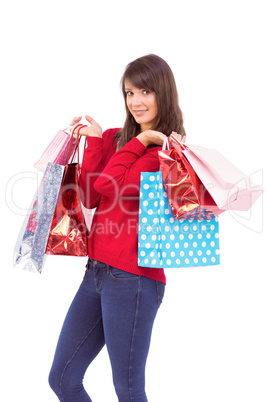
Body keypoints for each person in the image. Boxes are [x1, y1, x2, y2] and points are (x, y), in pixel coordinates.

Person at [48, 54, 186, 402]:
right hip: (95, 274)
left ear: (163, 94)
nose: (136, 102)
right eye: (129, 93)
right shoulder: (114, 139)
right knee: (63, 380)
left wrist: (143, 141)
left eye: (145, 92)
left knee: (127, 390)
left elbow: (115, 185)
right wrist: (95, 141)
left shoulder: (166, 153)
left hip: (135, 279)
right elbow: (93, 197)